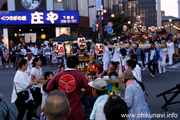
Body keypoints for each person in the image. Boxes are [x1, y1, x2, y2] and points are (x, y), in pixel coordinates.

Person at [46, 56, 92, 120]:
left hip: (60, 108)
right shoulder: (79, 75)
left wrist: (56, 96)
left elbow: (49, 88)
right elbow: (89, 87)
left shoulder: (59, 75)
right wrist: (85, 93)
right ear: (77, 65)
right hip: (75, 109)